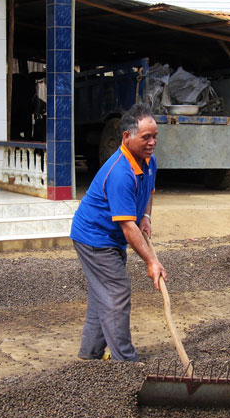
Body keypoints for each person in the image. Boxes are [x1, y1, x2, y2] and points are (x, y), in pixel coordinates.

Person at [70, 103, 167, 362]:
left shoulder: (149, 160)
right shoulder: (120, 172)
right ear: (126, 137)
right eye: (146, 137)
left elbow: (148, 192)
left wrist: (145, 216)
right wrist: (151, 262)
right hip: (94, 237)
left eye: (155, 136)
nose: (152, 142)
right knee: (116, 291)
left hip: (108, 236)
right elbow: (127, 227)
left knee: (102, 293)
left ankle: (89, 355)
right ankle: (125, 361)